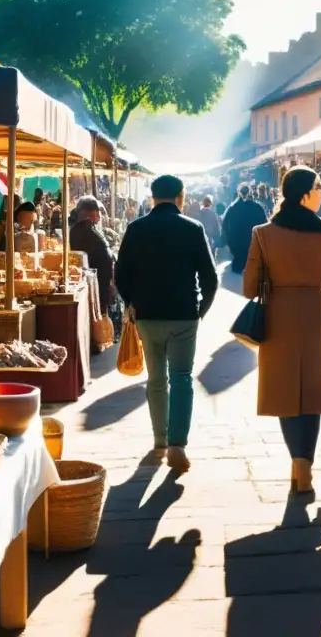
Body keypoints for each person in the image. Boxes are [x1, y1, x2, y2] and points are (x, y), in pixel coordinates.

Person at [243, 167, 321, 496]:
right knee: (312, 393)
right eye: (318, 188)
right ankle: (306, 464)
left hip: (278, 315)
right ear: (305, 194)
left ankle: (297, 462)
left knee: (285, 392)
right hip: (315, 314)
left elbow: (248, 288)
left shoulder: (262, 233)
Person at [116, 175, 218, 473]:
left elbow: (121, 274)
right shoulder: (192, 228)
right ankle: (177, 444)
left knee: (156, 379)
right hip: (184, 313)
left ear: (152, 196)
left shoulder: (136, 229)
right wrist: (201, 310)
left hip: (147, 314)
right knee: (183, 377)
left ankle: (160, 439)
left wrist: (131, 302)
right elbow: (210, 277)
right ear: (180, 196)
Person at [70, 197, 115, 316]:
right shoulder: (87, 230)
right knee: (99, 320)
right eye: (97, 212)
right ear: (89, 213)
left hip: (95, 282)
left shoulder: (77, 230)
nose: (99, 216)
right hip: (96, 284)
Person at [222, 184, 268, 274]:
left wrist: (228, 241)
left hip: (237, 247)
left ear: (238, 192)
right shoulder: (257, 208)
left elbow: (225, 226)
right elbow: (264, 226)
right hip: (253, 247)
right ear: (250, 192)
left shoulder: (232, 208)